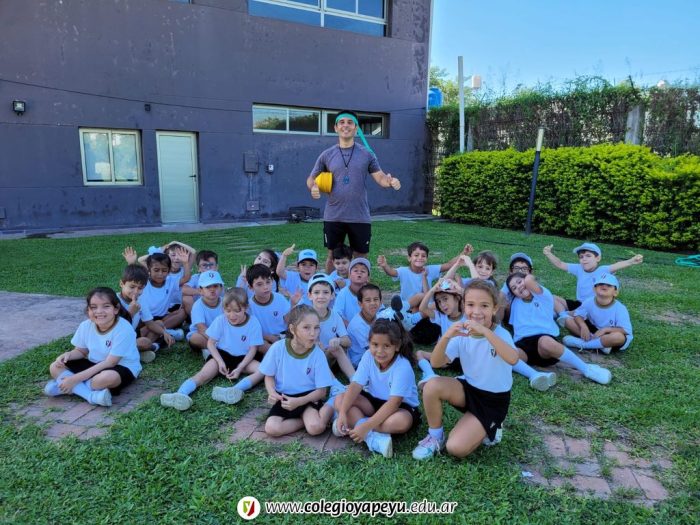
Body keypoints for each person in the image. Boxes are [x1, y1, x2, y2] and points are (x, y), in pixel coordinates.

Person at [412, 280, 519, 460]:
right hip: (469, 388)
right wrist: (446, 336)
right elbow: (437, 363)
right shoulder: (463, 333)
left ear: (494, 308)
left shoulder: (501, 334)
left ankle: (492, 426)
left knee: (455, 448)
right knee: (432, 385)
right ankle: (435, 436)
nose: (476, 311)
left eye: (484, 306)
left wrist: (485, 332)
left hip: (492, 401)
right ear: (463, 305)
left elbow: (513, 358)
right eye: (470, 305)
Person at [307, 110, 401, 273]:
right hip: (334, 215)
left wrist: (390, 181)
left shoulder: (367, 154)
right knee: (332, 256)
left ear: (356, 128)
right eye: (342, 122)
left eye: (350, 122)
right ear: (335, 127)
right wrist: (313, 187)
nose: (346, 125)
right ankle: (330, 286)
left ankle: (360, 287)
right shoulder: (326, 155)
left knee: (360, 258)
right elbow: (311, 178)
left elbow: (380, 177)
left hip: (359, 216)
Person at [160, 287, 264, 411]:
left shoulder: (253, 322)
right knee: (203, 375)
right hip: (222, 355)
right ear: (223, 309)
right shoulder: (220, 320)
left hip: (244, 357)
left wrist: (240, 367)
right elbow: (210, 343)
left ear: (246, 308)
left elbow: (253, 349)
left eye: (237, 311)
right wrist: (220, 362)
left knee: (262, 370)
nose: (232, 315)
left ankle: (235, 390)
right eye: (228, 310)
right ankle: (181, 393)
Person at [332, 318, 421, 458]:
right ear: (369, 343)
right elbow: (355, 385)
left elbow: (394, 403)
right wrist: (342, 412)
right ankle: (372, 438)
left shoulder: (402, 366)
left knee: (401, 422)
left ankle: (358, 424)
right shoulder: (368, 356)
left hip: (401, 407)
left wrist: (366, 426)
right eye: (375, 344)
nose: (380, 351)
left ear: (397, 346)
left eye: (386, 346)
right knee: (339, 400)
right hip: (374, 401)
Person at [507, 273, 611, 386]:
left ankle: (586, 369)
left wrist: (528, 278)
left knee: (546, 342)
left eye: (519, 282)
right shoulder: (515, 303)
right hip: (522, 345)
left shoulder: (542, 295)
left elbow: (529, 281)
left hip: (543, 340)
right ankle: (535, 375)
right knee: (507, 354)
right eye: (514, 288)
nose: (519, 287)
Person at [44, 287, 141, 407]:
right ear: (88, 310)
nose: (99, 311)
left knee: (107, 378)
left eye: (106, 306)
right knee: (55, 366)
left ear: (116, 309)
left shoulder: (124, 329)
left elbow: (110, 363)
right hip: (94, 363)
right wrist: (68, 354)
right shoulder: (86, 326)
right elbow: (81, 351)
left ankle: (63, 386)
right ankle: (90, 396)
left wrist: (74, 379)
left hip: (121, 367)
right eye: (94, 307)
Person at [259, 305, 335, 437]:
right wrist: (272, 392)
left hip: (308, 397)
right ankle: (304, 421)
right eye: (306, 327)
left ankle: (332, 404)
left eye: (316, 327)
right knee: (272, 428)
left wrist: (299, 401)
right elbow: (269, 376)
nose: (313, 333)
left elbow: (321, 391)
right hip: (285, 398)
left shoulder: (318, 354)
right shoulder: (278, 348)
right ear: (292, 329)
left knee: (315, 428)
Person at [542, 242, 643, 331]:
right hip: (579, 303)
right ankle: (563, 315)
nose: (584, 259)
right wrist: (548, 254)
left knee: (571, 312)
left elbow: (617, 265)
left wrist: (632, 261)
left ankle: (562, 315)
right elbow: (560, 264)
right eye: (581, 257)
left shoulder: (602, 270)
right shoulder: (579, 268)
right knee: (552, 297)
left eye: (588, 256)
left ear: (597, 258)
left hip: (591, 307)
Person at [563, 273, 633, 355]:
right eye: (600, 284)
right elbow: (578, 315)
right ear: (594, 289)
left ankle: (584, 344)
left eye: (609, 285)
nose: (604, 286)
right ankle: (600, 345)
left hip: (610, 334)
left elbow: (625, 330)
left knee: (618, 337)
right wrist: (583, 326)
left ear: (615, 292)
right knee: (568, 320)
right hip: (594, 331)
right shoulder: (589, 301)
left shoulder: (620, 308)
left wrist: (605, 330)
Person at [306, 273, 355, 379]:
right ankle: (335, 384)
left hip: (328, 358)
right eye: (316, 292)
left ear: (332, 295)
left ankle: (355, 380)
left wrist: (338, 340)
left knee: (336, 348)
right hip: (309, 361)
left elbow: (348, 341)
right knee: (316, 352)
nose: (321, 296)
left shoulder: (334, 315)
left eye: (326, 292)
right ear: (309, 295)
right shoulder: (304, 316)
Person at [117, 263, 160, 363]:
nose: (136, 291)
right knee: (145, 342)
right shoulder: (114, 301)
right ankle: (138, 352)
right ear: (122, 284)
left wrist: (164, 333)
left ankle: (135, 353)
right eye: (132, 287)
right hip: (116, 340)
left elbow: (149, 322)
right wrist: (130, 313)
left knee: (159, 324)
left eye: (140, 288)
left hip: (131, 336)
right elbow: (114, 329)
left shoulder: (140, 300)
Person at [246, 264, 291, 354]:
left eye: (268, 282)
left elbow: (289, 321)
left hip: (283, 335)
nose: (265, 287)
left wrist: (293, 305)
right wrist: (270, 337)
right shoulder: (249, 306)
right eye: (259, 284)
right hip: (263, 338)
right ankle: (279, 355)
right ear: (251, 287)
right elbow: (250, 330)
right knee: (260, 345)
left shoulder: (279, 298)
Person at [186, 271, 225, 358]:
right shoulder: (198, 305)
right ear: (200, 290)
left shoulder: (225, 303)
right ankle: (216, 348)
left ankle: (213, 349)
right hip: (203, 334)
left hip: (221, 334)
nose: (212, 290)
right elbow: (201, 328)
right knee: (195, 338)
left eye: (215, 286)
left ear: (221, 288)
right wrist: (218, 341)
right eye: (207, 287)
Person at [346, 284, 383, 367]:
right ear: (360, 304)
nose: (372, 303)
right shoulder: (357, 325)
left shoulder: (379, 317)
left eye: (376, 299)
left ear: (381, 302)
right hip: (360, 359)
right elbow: (371, 349)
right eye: (368, 300)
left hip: (376, 350)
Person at [333, 257, 371, 325]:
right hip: (347, 329)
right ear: (349, 276)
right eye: (355, 271)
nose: (359, 273)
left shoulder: (372, 292)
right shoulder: (343, 293)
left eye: (363, 271)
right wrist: (351, 327)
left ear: (368, 278)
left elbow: (380, 312)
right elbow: (337, 315)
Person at [182, 250, 219, 316]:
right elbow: (183, 289)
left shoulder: (217, 278)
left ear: (216, 267)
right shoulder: (196, 278)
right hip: (197, 308)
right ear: (198, 268)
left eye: (211, 265)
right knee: (186, 298)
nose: (208, 268)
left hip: (214, 309)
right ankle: (195, 319)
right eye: (204, 265)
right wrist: (202, 292)